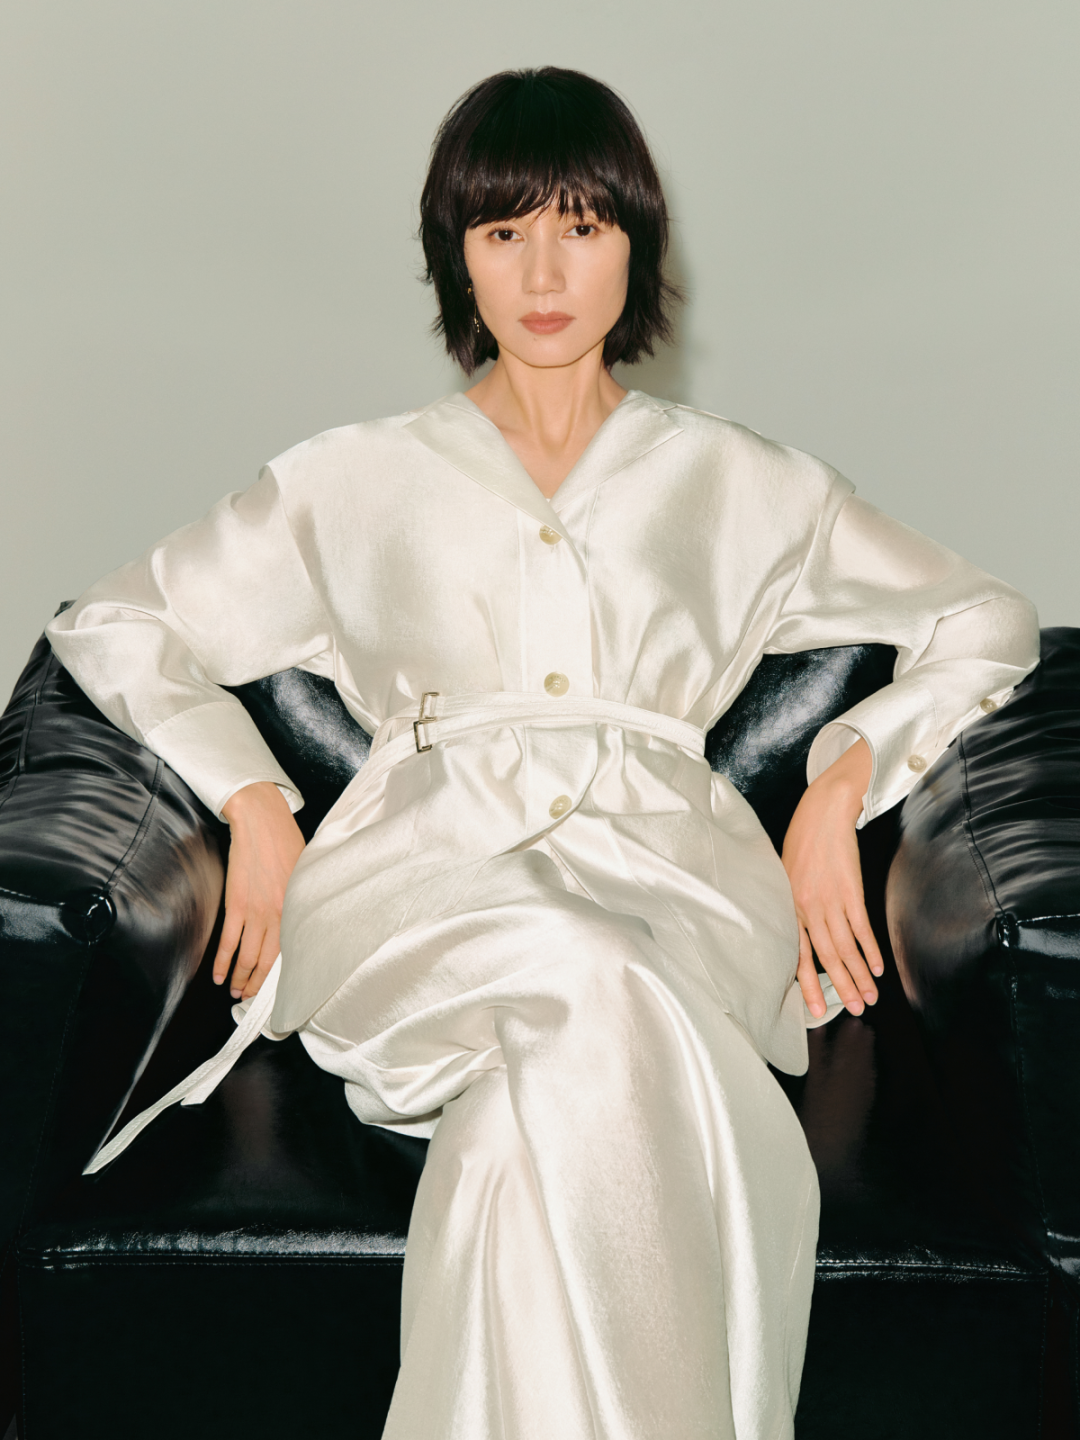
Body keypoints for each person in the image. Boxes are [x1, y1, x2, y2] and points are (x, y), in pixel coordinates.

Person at [48, 67, 1039, 1440]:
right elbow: (117, 621)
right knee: (589, 976)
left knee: (527, 1124)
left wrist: (846, 776)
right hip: (415, 895)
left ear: (637, 242)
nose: (545, 272)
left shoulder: (750, 484)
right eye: (503, 231)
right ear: (457, 256)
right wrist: (255, 799)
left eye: (582, 225)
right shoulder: (347, 480)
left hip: (679, 895)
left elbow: (984, 620)